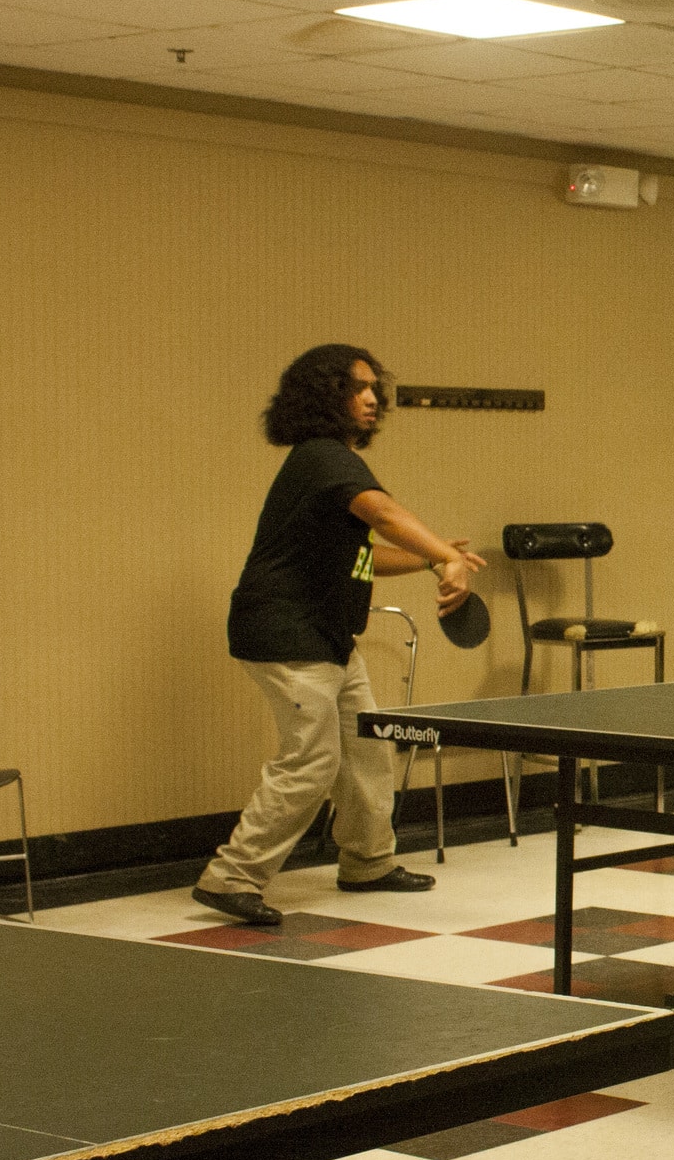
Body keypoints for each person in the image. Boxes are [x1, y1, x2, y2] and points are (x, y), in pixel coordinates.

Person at [194, 345, 485, 926]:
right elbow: (381, 512)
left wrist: (433, 558)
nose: (373, 398)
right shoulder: (324, 457)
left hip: (326, 635)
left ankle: (368, 862)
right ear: (325, 398)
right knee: (312, 759)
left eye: (376, 387)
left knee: (368, 747)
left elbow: (363, 558)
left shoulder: (327, 464)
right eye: (358, 388)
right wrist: (439, 558)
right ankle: (231, 877)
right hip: (287, 633)